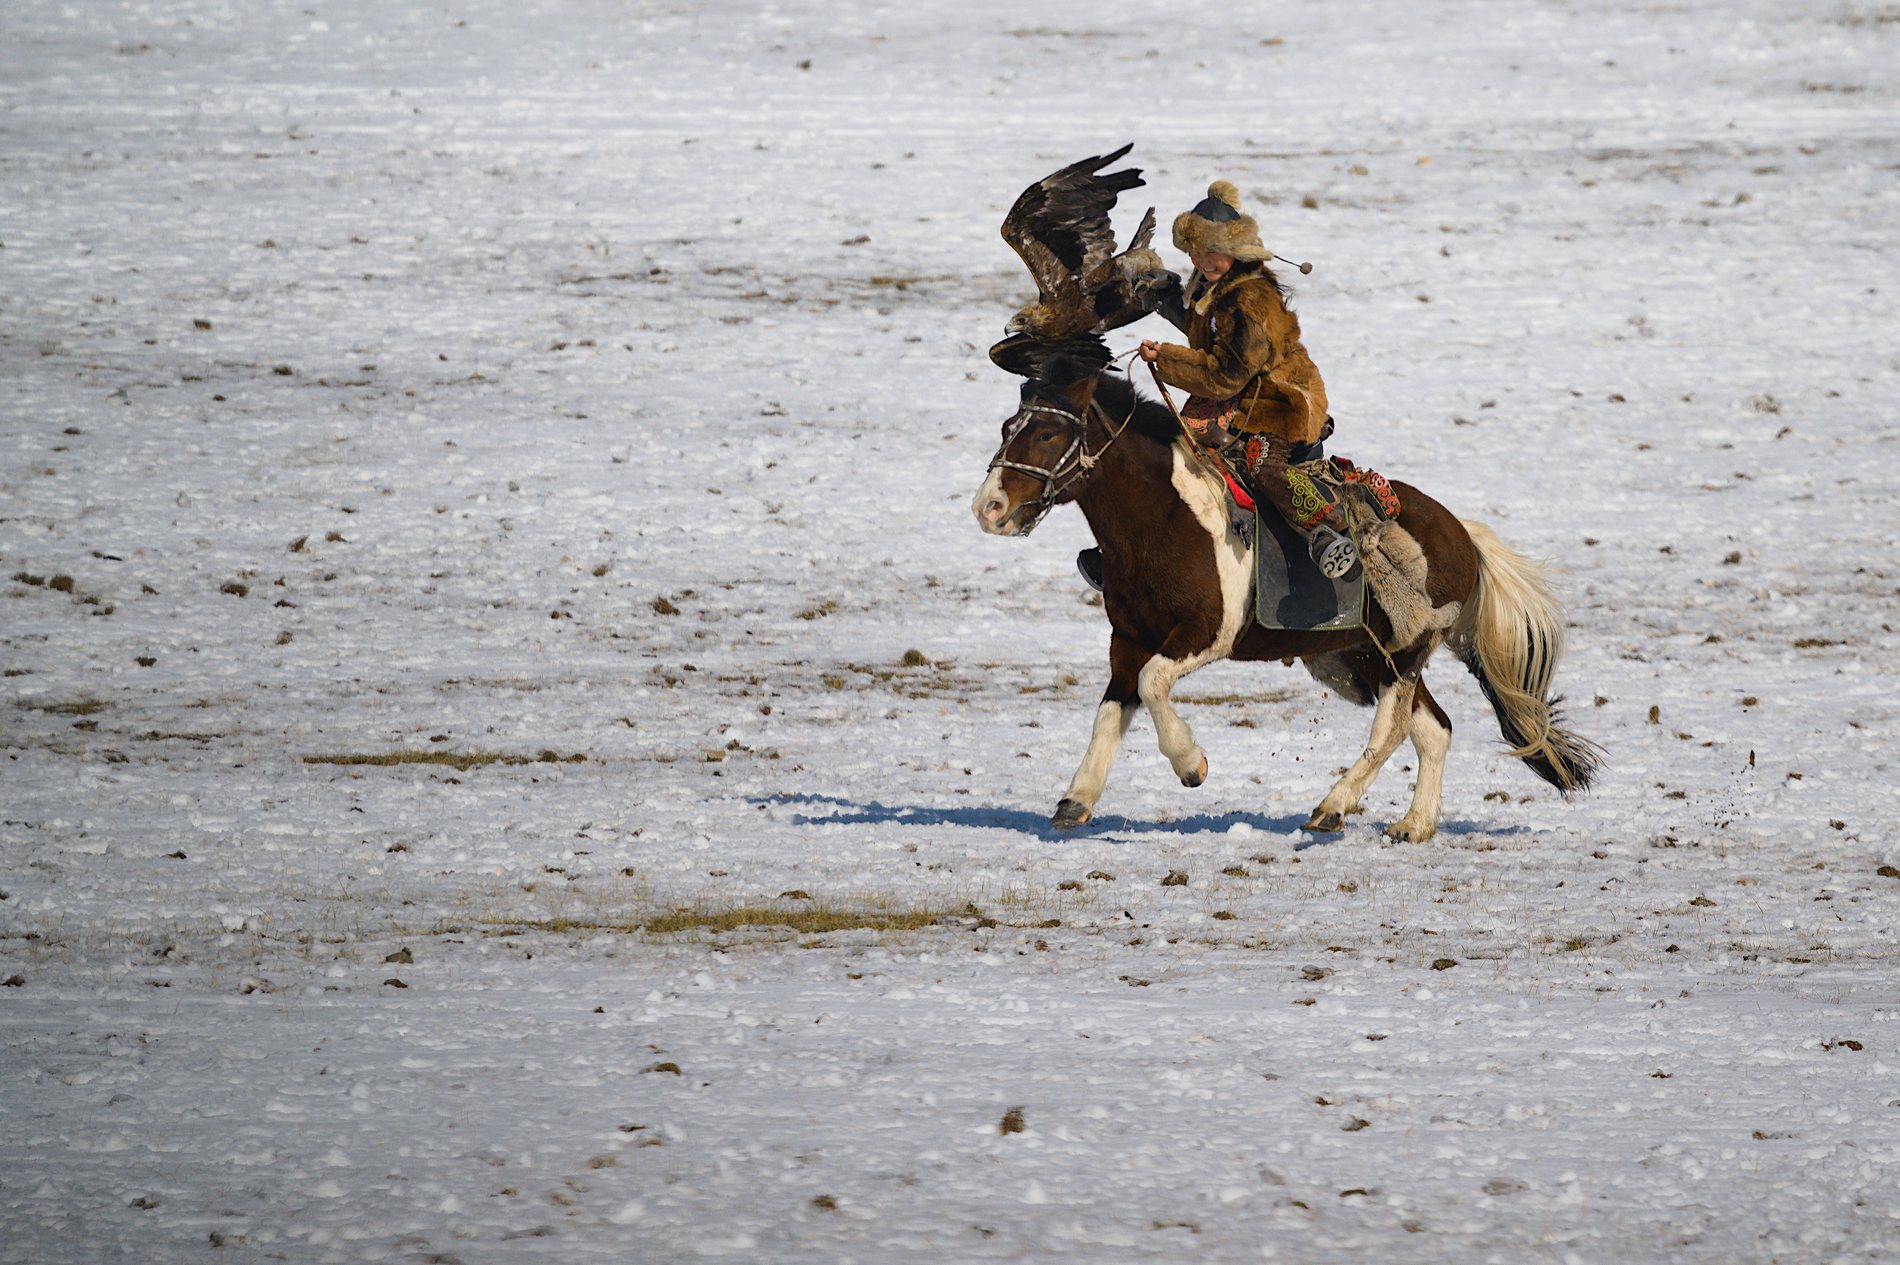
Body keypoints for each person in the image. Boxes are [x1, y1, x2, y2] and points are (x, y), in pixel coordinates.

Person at [1076, 180, 1355, 590]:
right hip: (1235, 396)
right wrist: (1159, 291)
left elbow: (1226, 374)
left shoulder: (1252, 301)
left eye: (1210, 251)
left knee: (1261, 468)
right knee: (1165, 458)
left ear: (1235, 251)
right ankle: (1130, 553)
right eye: (1193, 251)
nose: (1200, 260)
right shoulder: (1213, 286)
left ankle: (1326, 532)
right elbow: (1200, 325)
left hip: (1279, 400)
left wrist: (1166, 358)